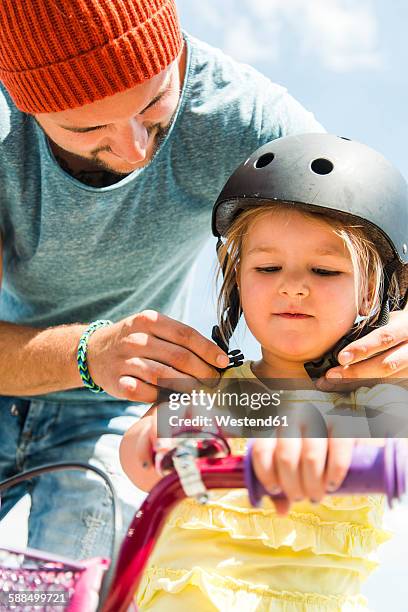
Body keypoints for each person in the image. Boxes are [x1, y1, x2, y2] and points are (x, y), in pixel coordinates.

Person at [0, 0, 407, 560]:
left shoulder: (245, 115)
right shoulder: (225, 399)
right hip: (36, 368)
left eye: (153, 107)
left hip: (117, 395)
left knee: (75, 579)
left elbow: (358, 220)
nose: (136, 150)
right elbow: (156, 445)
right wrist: (94, 360)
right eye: (89, 127)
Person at [120, 134, 408, 610]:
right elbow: (139, 456)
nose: (292, 287)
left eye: (324, 271)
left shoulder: (379, 397)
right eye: (268, 267)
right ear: (237, 279)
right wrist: (159, 443)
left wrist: (328, 449)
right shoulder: (212, 386)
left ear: (370, 291)